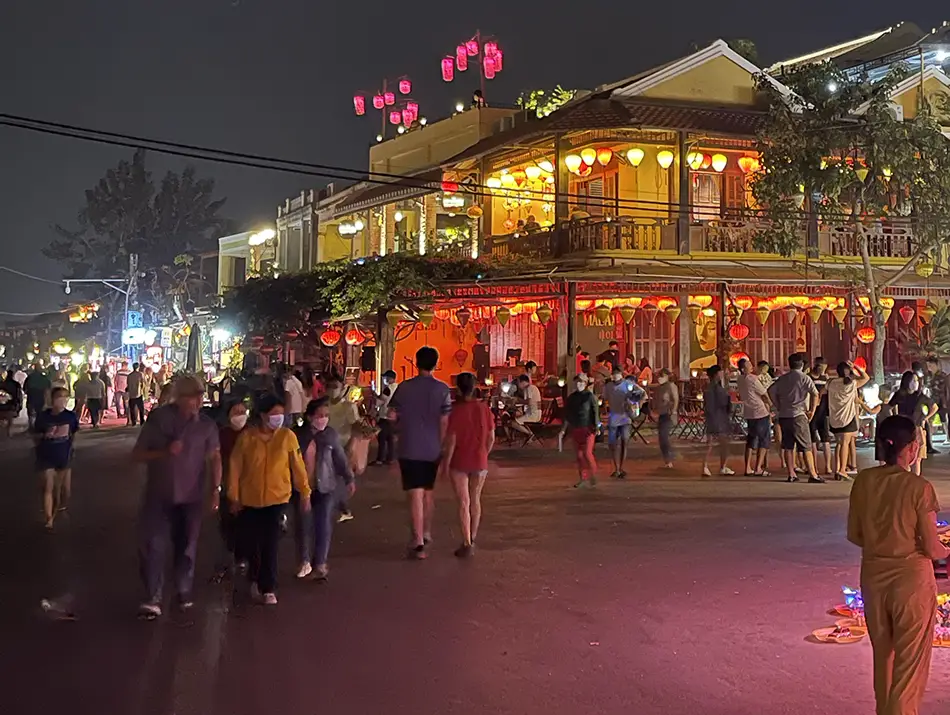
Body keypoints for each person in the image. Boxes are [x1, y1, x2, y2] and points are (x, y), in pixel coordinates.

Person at [847, 415, 949, 715]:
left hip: (874, 579)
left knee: (885, 658)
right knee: (910, 667)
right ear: (913, 448)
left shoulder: (864, 481)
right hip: (911, 582)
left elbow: (855, 534)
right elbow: (932, 549)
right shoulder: (919, 487)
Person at [132, 376, 222, 618]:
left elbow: (215, 457)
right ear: (180, 397)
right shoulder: (160, 419)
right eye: (193, 396)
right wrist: (164, 452)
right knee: (154, 546)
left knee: (187, 547)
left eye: (200, 396)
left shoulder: (206, 425)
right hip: (159, 496)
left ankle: (183, 590)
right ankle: (153, 596)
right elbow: (138, 454)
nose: (198, 402)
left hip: (191, 497)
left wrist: (215, 489)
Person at [228, 394, 310, 605]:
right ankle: (254, 577)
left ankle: (269, 587)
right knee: (252, 544)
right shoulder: (247, 438)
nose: (278, 418)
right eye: (274, 414)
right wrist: (234, 496)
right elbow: (235, 469)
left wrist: (305, 492)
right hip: (250, 501)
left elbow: (298, 467)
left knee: (271, 543)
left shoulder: (287, 437)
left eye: (281, 414)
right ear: (263, 415)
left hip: (278, 499)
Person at [390, 347, 452, 559]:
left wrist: (399, 428)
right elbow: (445, 421)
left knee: (414, 493)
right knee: (428, 492)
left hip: (409, 446)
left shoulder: (403, 388)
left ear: (416, 363)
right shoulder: (443, 390)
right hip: (432, 447)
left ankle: (417, 541)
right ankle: (426, 532)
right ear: (435, 364)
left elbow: (391, 415)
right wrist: (442, 444)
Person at [297, 398, 355, 581]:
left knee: (323, 524)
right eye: (319, 415)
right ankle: (304, 560)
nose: (323, 419)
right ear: (309, 417)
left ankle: (320, 563)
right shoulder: (297, 436)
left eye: (326, 416)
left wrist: (349, 478)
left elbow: (340, 458)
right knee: (303, 525)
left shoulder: (330, 435)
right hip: (302, 488)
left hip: (326, 486)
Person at [442, 372, 495, 557]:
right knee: (476, 499)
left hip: (460, 460)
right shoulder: (484, 409)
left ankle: (466, 542)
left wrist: (445, 464)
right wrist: (484, 453)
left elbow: (451, 441)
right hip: (480, 459)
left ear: (458, 388)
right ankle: (473, 535)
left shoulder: (455, 411)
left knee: (463, 502)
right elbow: (491, 437)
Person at [768, 354, 822, 483]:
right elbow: (815, 394)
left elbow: (770, 390)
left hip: (784, 415)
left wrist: (778, 404)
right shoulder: (804, 378)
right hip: (798, 414)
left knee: (788, 445)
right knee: (806, 446)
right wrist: (812, 411)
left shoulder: (783, 378)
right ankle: (813, 474)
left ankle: (791, 473)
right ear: (802, 365)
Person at [33, 386, 80, 529]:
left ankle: (59, 508)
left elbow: (74, 433)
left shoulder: (70, 416)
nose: (62, 401)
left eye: (65, 398)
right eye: (60, 397)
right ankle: (49, 519)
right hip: (46, 455)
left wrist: (72, 449)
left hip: (63, 455)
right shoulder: (43, 417)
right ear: (52, 400)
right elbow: (35, 434)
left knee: (63, 490)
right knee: (48, 486)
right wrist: (44, 437)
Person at [212, 400, 248, 581]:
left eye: (243, 411)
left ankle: (241, 556)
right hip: (227, 485)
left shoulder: (251, 434)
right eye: (236, 411)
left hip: (248, 487)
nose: (240, 415)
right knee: (227, 524)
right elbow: (217, 461)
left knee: (245, 523)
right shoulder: (223, 435)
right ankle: (229, 556)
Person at [827, 361, 870, 481]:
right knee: (845, 443)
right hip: (848, 417)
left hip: (835, 418)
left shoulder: (830, 383)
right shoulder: (851, 384)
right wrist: (855, 367)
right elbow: (866, 377)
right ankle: (842, 471)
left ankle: (837, 469)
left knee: (839, 444)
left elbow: (821, 393)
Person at [326, 377, 360, 521]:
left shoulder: (349, 407)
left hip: (343, 445)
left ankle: (342, 506)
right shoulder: (323, 405)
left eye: (336, 386)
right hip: (326, 446)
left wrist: (352, 445)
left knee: (341, 477)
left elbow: (357, 427)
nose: (333, 390)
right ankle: (338, 505)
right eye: (330, 386)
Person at [603, 366, 644, 479]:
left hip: (625, 418)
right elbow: (603, 398)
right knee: (613, 444)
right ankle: (616, 468)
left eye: (617, 373)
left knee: (624, 442)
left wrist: (636, 404)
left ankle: (621, 467)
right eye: (613, 374)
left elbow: (642, 393)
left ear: (621, 374)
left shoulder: (628, 384)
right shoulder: (608, 386)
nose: (615, 376)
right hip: (613, 418)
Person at [890, 371, 933, 476]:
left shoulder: (919, 396)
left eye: (917, 381)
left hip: (917, 429)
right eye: (913, 380)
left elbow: (934, 407)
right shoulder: (899, 395)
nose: (916, 383)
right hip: (904, 430)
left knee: (918, 458)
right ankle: (906, 480)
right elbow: (889, 407)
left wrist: (925, 418)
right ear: (907, 381)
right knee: (904, 457)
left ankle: (916, 479)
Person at [560, 374, 600, 487]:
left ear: (585, 383)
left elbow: (595, 412)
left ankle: (593, 475)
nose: (579, 384)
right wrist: (563, 430)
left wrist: (597, 426)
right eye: (577, 382)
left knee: (587, 453)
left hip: (588, 428)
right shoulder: (572, 398)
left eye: (581, 382)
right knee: (579, 455)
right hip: (576, 428)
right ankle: (583, 478)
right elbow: (567, 415)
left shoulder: (590, 397)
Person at [737, 358, 772, 476]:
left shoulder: (740, 379)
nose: (752, 366)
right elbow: (764, 393)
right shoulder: (752, 379)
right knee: (764, 440)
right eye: (749, 365)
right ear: (743, 369)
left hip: (749, 412)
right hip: (760, 411)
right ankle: (758, 468)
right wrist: (771, 405)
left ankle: (747, 467)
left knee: (751, 439)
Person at [702, 365, 735, 477]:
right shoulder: (718, 388)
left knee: (710, 444)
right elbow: (725, 403)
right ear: (716, 374)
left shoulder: (708, 388)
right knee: (724, 444)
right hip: (720, 418)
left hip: (712, 417)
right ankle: (722, 466)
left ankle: (705, 466)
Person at [808, 357, 832, 477]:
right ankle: (823, 467)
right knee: (822, 440)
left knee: (819, 440)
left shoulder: (810, 378)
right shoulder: (823, 379)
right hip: (818, 412)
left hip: (815, 412)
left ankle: (820, 467)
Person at [373, 370, 398, 465]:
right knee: (390, 439)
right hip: (393, 417)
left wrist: (375, 397)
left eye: (386, 378)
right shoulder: (398, 387)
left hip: (384, 416)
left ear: (390, 378)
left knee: (382, 438)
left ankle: (380, 459)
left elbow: (380, 402)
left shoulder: (388, 389)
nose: (385, 379)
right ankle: (390, 458)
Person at [509, 374, 542, 439]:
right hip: (537, 414)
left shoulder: (529, 388)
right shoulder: (534, 387)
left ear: (523, 382)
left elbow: (528, 402)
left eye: (518, 383)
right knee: (519, 418)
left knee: (513, 423)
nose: (518, 385)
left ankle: (530, 434)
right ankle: (530, 434)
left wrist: (517, 400)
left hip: (533, 415)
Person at [925, 356, 949, 442]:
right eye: (928, 365)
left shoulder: (943, 376)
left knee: (944, 419)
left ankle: (948, 437)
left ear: (936, 365)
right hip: (932, 401)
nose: (929, 367)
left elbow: (945, 389)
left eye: (931, 365)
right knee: (930, 419)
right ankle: (929, 440)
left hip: (941, 401)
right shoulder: (928, 376)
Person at [24, 362, 51, 430]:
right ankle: (38, 425)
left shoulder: (30, 377)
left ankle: (31, 425)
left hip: (32, 395)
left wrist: (27, 392)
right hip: (40, 396)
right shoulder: (44, 378)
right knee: (39, 412)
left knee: (30, 411)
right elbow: (48, 387)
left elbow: (25, 387)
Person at [0, 368, 24, 437]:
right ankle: (8, 431)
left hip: (2, 407)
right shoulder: (16, 385)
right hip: (10, 408)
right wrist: (18, 407)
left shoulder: (2, 384)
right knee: (10, 419)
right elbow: (19, 397)